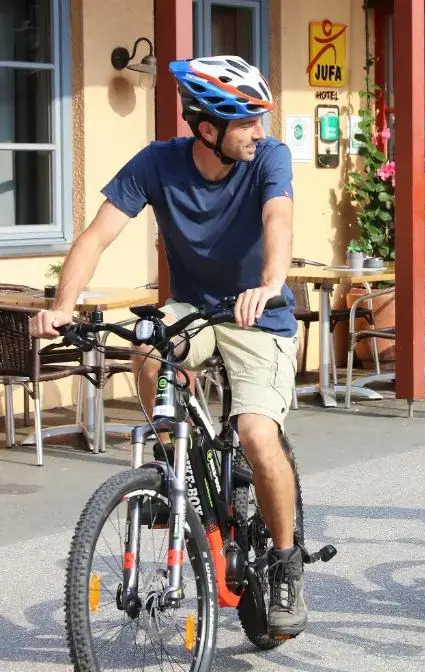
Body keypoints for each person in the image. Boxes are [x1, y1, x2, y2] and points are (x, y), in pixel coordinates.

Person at [29, 56, 308, 637]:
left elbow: (278, 220)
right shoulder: (158, 163)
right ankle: (173, 465)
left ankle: (285, 564)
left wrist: (270, 284)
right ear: (208, 129)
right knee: (147, 341)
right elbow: (96, 236)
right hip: (196, 310)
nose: (259, 131)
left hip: (260, 317)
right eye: (247, 121)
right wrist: (62, 305)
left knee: (257, 434)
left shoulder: (269, 157)